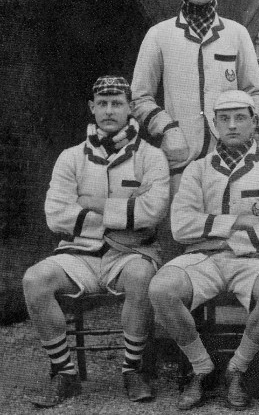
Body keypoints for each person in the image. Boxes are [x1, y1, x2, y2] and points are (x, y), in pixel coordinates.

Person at [23, 76, 170, 408]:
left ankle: (132, 369)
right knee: (34, 280)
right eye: (102, 103)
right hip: (80, 254)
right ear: (92, 107)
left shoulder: (151, 157)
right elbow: (55, 216)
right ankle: (65, 373)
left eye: (117, 103)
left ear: (130, 108)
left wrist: (91, 207)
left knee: (141, 277)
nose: (109, 110)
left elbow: (153, 211)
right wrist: (122, 212)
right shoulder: (71, 157)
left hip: (132, 252)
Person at [148, 90, 259, 411]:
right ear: (214, 124)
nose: (232, 125)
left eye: (240, 117)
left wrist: (217, 235)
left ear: (254, 122)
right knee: (161, 288)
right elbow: (181, 227)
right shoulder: (197, 170)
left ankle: (236, 369)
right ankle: (203, 368)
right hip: (204, 260)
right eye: (224, 119)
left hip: (258, 259)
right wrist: (238, 222)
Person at [131, 0, 259, 190]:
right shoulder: (159, 34)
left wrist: (243, 130)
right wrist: (167, 129)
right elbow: (139, 97)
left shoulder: (236, 33)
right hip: (180, 157)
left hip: (231, 157)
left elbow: (255, 93)